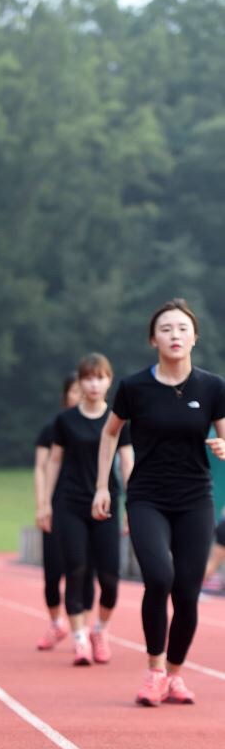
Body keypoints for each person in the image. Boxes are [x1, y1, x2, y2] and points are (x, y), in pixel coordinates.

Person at [92, 299, 225, 706]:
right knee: (159, 578)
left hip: (194, 498)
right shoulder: (134, 387)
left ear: (195, 338)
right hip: (147, 496)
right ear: (154, 339)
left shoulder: (212, 386)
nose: (175, 336)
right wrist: (103, 486)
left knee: (187, 589)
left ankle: (175, 676)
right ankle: (154, 670)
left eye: (183, 329)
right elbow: (111, 433)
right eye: (166, 329)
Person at [41, 354, 133, 666]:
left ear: (109, 381)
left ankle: (100, 630)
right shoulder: (65, 421)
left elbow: (128, 461)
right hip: (70, 504)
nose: (94, 384)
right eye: (88, 378)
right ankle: (79, 639)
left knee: (109, 576)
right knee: (76, 570)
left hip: (106, 505)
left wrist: (132, 504)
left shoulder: (118, 419)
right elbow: (53, 462)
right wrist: (45, 504)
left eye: (101, 377)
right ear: (80, 383)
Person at [34, 372, 96, 650]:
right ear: (66, 395)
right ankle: (57, 622)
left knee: (83, 569)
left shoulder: (100, 427)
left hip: (87, 507)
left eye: (82, 392)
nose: (80, 396)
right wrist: (42, 504)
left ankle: (81, 627)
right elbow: (41, 466)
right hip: (58, 505)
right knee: (53, 570)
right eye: (74, 392)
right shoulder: (53, 427)